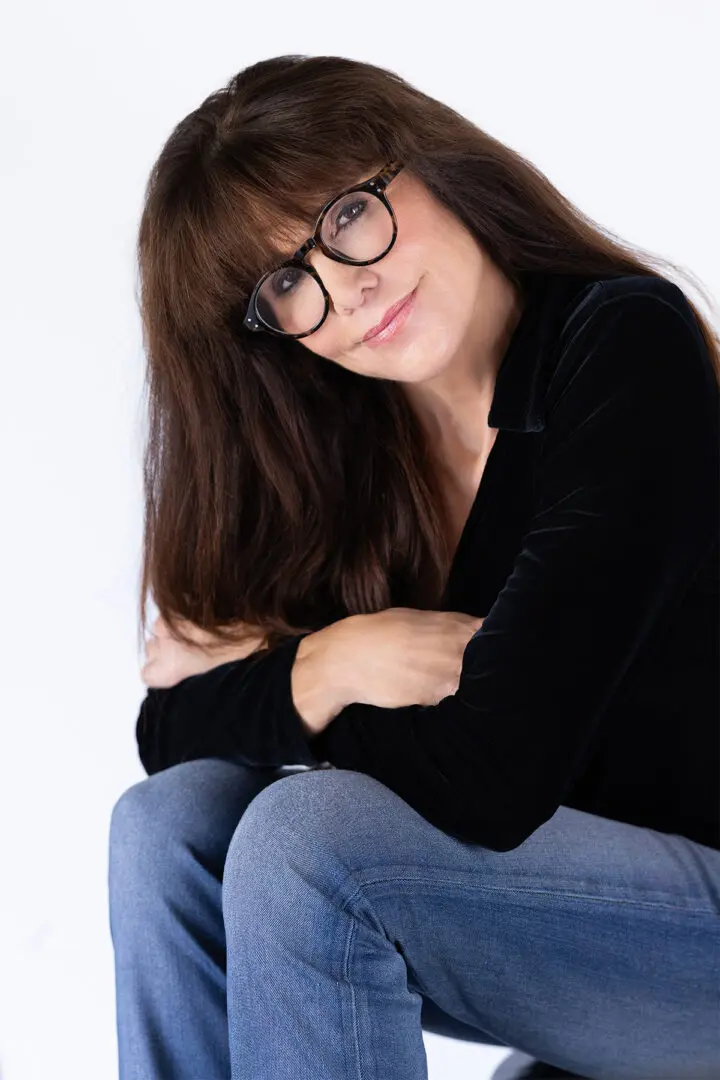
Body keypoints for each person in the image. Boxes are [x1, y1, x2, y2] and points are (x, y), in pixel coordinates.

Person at [108, 54, 720, 1080]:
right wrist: (331, 662)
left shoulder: (620, 346)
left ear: (429, 160)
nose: (350, 289)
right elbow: (165, 727)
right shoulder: (354, 456)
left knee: (311, 841)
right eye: (290, 281)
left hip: (695, 934)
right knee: (168, 830)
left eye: (347, 216)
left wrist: (280, 676)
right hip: (567, 938)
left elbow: (496, 777)